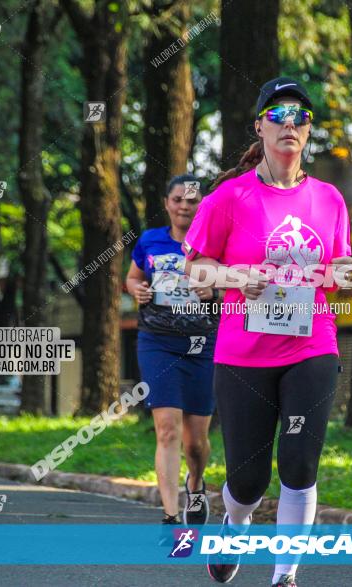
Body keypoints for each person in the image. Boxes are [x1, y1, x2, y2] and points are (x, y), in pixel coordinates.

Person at [183, 77, 352, 587]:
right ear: (259, 126)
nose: (290, 124)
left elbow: (338, 262)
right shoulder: (229, 198)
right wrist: (237, 277)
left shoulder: (328, 199)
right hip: (243, 354)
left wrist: (343, 272)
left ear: (308, 132)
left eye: (300, 116)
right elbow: (194, 270)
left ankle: (285, 575)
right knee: (248, 479)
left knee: (300, 463)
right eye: (278, 114)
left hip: (311, 346)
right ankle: (235, 523)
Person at [125, 174, 221, 528]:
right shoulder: (150, 241)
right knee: (167, 430)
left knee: (196, 442)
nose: (184, 206)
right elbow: (133, 277)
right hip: (158, 341)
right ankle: (169, 515)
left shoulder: (216, 245)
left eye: (192, 200)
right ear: (167, 203)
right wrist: (137, 290)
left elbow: (238, 287)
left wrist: (215, 293)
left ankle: (195, 483)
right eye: (177, 199)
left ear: (202, 206)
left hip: (203, 343)